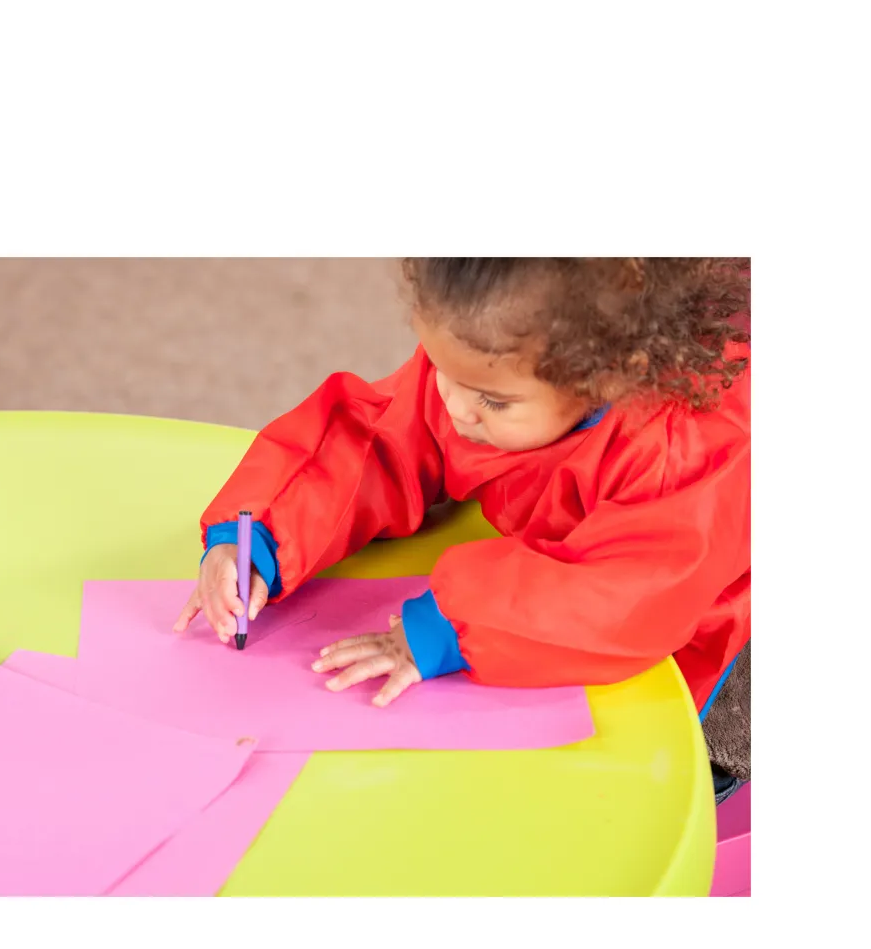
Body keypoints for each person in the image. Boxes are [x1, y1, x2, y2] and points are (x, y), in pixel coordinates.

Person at [173, 258, 751, 802]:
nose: (453, 407)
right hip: (599, 559)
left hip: (719, 622)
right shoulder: (488, 366)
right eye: (437, 366)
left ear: (613, 378)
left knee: (659, 781)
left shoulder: (683, 453)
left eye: (493, 402)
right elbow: (375, 439)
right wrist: (259, 538)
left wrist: (451, 627)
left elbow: (626, 596)